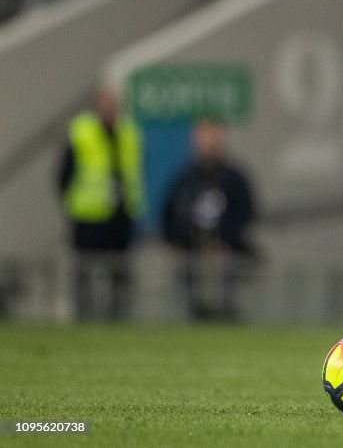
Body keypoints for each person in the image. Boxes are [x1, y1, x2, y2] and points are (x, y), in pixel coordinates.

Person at [57, 86, 144, 320]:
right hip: (89, 216)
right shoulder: (82, 131)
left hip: (120, 215)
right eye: (106, 102)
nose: (110, 108)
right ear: (96, 105)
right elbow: (64, 175)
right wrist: (72, 205)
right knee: (84, 271)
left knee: (119, 272)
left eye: (114, 103)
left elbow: (132, 171)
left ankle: (119, 317)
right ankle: (83, 316)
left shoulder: (128, 132)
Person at [162, 119, 257, 320]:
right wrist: (175, 240)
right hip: (191, 249)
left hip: (226, 250)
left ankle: (228, 315)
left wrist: (228, 241)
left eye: (213, 134)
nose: (209, 141)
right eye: (204, 135)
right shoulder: (185, 178)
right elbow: (170, 211)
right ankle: (193, 316)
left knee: (229, 278)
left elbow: (246, 212)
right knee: (191, 288)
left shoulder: (234, 177)